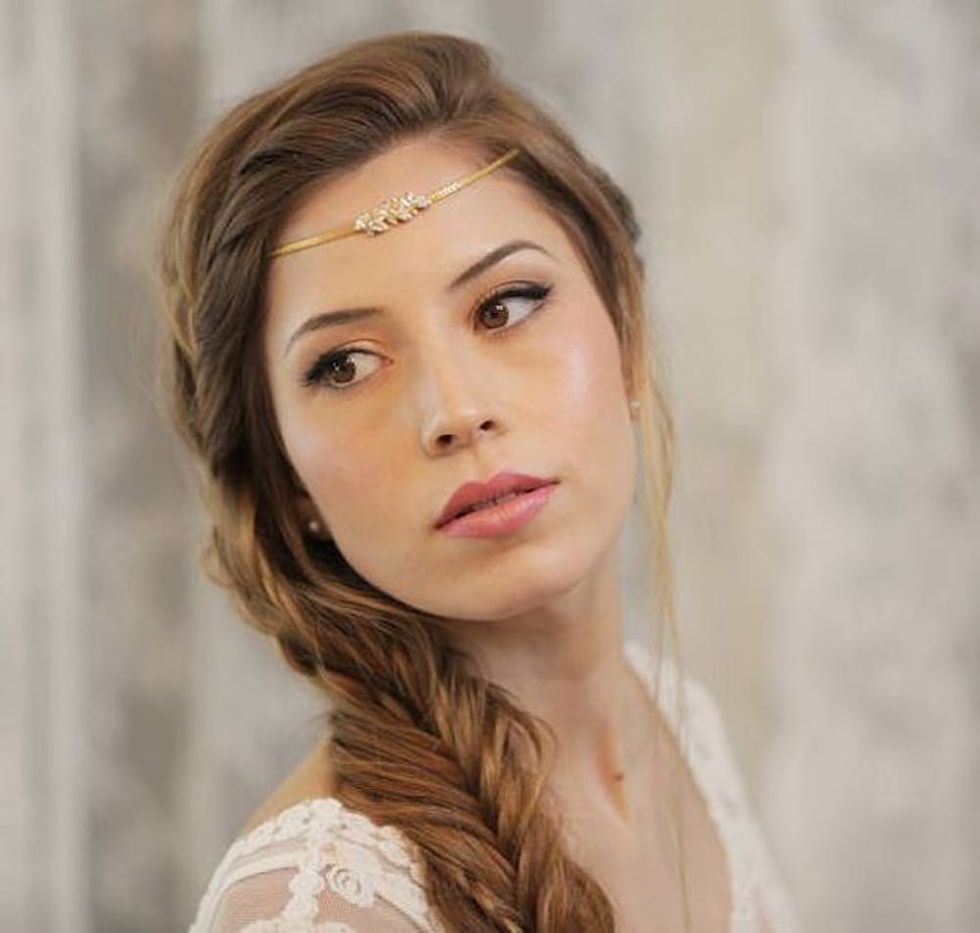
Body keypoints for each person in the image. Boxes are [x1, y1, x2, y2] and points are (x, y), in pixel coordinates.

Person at [158, 30, 803, 933]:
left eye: (504, 305)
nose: (455, 411)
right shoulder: (322, 905)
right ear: (286, 476)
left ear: (625, 329)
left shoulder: (675, 721)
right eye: (345, 365)